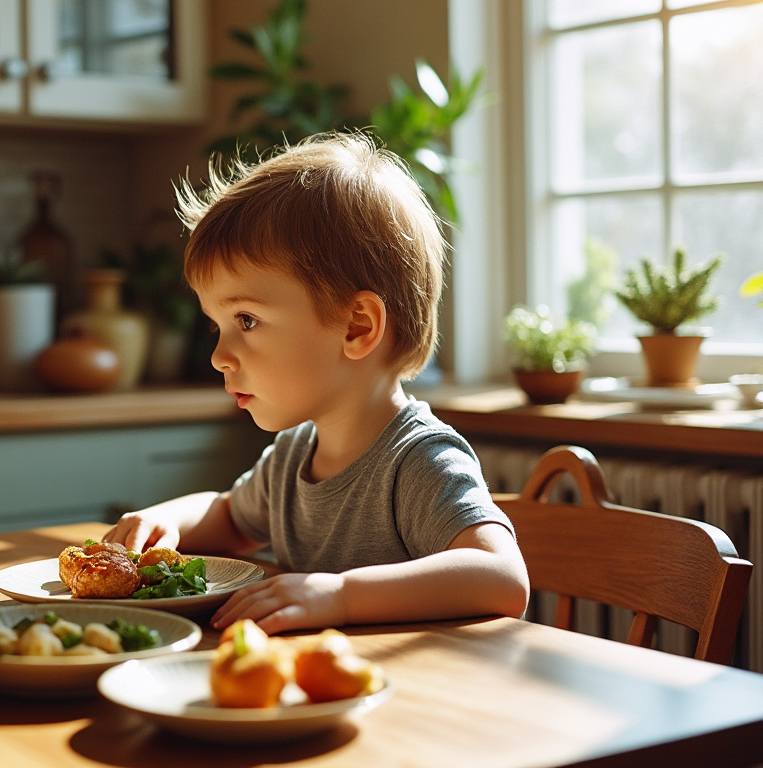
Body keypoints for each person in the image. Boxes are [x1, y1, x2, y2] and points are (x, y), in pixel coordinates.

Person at [103, 133, 530, 635]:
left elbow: (502, 579)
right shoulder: (293, 457)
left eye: (246, 320)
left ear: (357, 328)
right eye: (217, 326)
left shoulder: (418, 461)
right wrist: (164, 521)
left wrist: (343, 595)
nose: (218, 356)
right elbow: (227, 516)